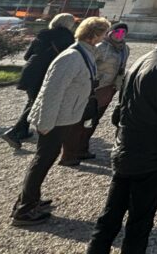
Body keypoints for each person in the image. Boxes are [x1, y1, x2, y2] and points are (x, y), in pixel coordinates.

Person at [85, 17, 157, 254]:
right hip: (150, 158)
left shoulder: (141, 59)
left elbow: (118, 113)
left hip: (124, 149)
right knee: (140, 222)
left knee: (110, 215)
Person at [11, 15, 110, 226]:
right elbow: (51, 92)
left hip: (64, 116)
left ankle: (30, 199)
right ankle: (24, 209)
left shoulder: (85, 53)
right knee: (42, 160)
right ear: (93, 36)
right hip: (55, 118)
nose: (106, 37)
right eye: (104, 34)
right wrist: (45, 123)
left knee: (46, 158)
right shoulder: (72, 57)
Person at [3, 12, 76, 149]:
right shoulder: (67, 37)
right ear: (69, 24)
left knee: (32, 100)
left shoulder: (43, 33)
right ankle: (14, 131)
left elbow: (27, 56)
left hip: (30, 70)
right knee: (37, 101)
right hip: (44, 72)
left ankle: (23, 130)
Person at [63, 21, 130, 165]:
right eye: (117, 32)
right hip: (94, 88)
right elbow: (88, 65)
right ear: (110, 33)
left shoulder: (124, 49)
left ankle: (82, 148)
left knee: (93, 121)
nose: (120, 35)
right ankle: (68, 154)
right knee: (80, 120)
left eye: (123, 33)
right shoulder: (99, 47)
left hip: (109, 89)